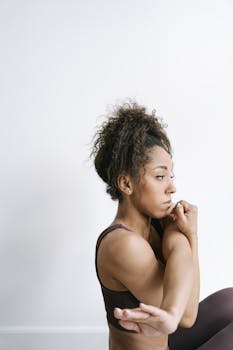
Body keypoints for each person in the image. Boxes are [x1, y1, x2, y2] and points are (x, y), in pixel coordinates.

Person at [91, 101, 233, 350]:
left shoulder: (157, 225)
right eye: (159, 176)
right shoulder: (123, 244)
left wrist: (191, 235)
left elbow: (181, 256)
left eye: (171, 176)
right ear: (126, 184)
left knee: (230, 299)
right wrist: (172, 312)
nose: (172, 187)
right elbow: (187, 316)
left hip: (165, 344)